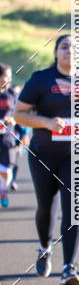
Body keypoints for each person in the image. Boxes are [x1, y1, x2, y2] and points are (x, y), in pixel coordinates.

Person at [14, 35, 79, 285]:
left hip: (75, 155)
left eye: (75, 47)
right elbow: (18, 114)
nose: (69, 51)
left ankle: (69, 267)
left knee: (74, 209)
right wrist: (46, 122)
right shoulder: (41, 79)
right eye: (64, 46)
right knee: (46, 207)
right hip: (43, 153)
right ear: (56, 52)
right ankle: (44, 247)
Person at [0, 64, 20, 208]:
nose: (10, 79)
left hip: (8, 137)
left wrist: (13, 119)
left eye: (11, 77)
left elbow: (19, 113)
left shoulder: (12, 93)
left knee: (7, 169)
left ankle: (3, 189)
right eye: (7, 76)